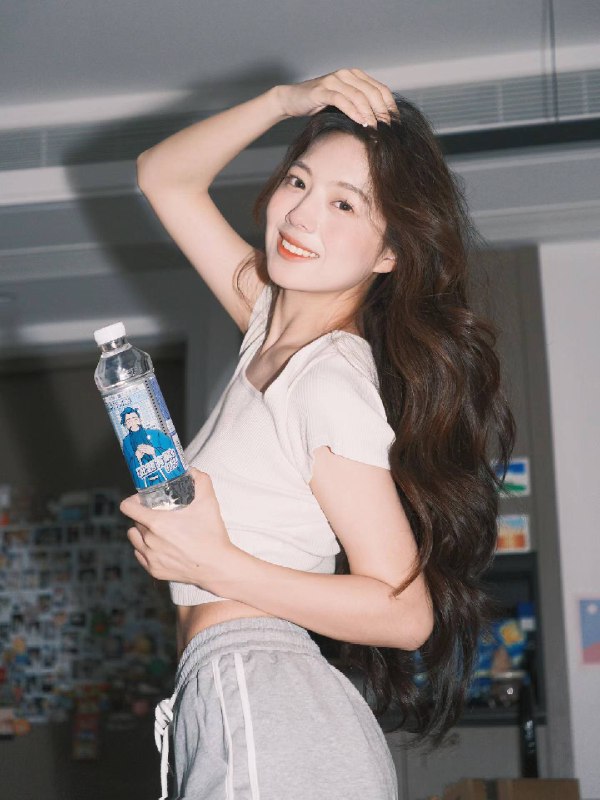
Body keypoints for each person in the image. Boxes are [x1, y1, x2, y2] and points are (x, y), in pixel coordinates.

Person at [120, 68, 516, 800]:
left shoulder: (328, 380)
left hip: (260, 691)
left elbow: (404, 614)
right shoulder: (269, 326)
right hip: (236, 690)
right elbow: (162, 176)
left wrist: (214, 562)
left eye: (344, 204)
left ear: (390, 252)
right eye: (298, 181)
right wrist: (285, 101)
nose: (302, 215)